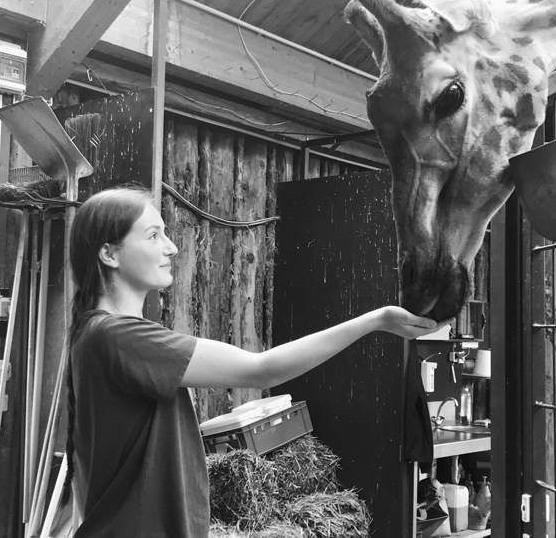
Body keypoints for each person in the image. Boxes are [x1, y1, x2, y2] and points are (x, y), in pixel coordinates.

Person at [64, 186, 443, 537]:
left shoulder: (97, 335)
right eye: (153, 236)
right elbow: (262, 369)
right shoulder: (120, 338)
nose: (172, 248)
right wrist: (375, 321)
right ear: (109, 253)